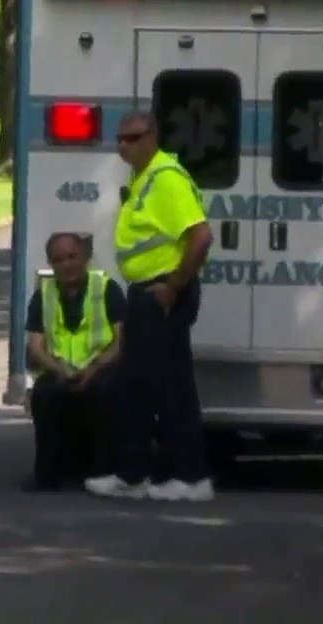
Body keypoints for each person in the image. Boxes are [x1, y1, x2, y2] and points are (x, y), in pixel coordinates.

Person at [85, 111, 216, 503]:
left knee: (166, 389)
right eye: (120, 139)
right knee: (141, 387)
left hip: (162, 294)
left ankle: (189, 477)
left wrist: (174, 285)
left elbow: (201, 236)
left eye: (134, 137)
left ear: (153, 136)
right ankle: (137, 473)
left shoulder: (166, 179)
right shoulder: (144, 178)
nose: (125, 145)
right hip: (148, 292)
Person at [22, 232, 126, 493]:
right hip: (62, 370)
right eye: (58, 260)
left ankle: (103, 472)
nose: (67, 264)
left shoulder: (106, 288)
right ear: (51, 264)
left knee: (105, 392)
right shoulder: (43, 295)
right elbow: (35, 347)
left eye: (72, 257)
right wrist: (61, 370)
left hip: (101, 368)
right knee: (43, 394)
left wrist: (93, 369)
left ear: (85, 257)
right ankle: (46, 476)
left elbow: (121, 343)